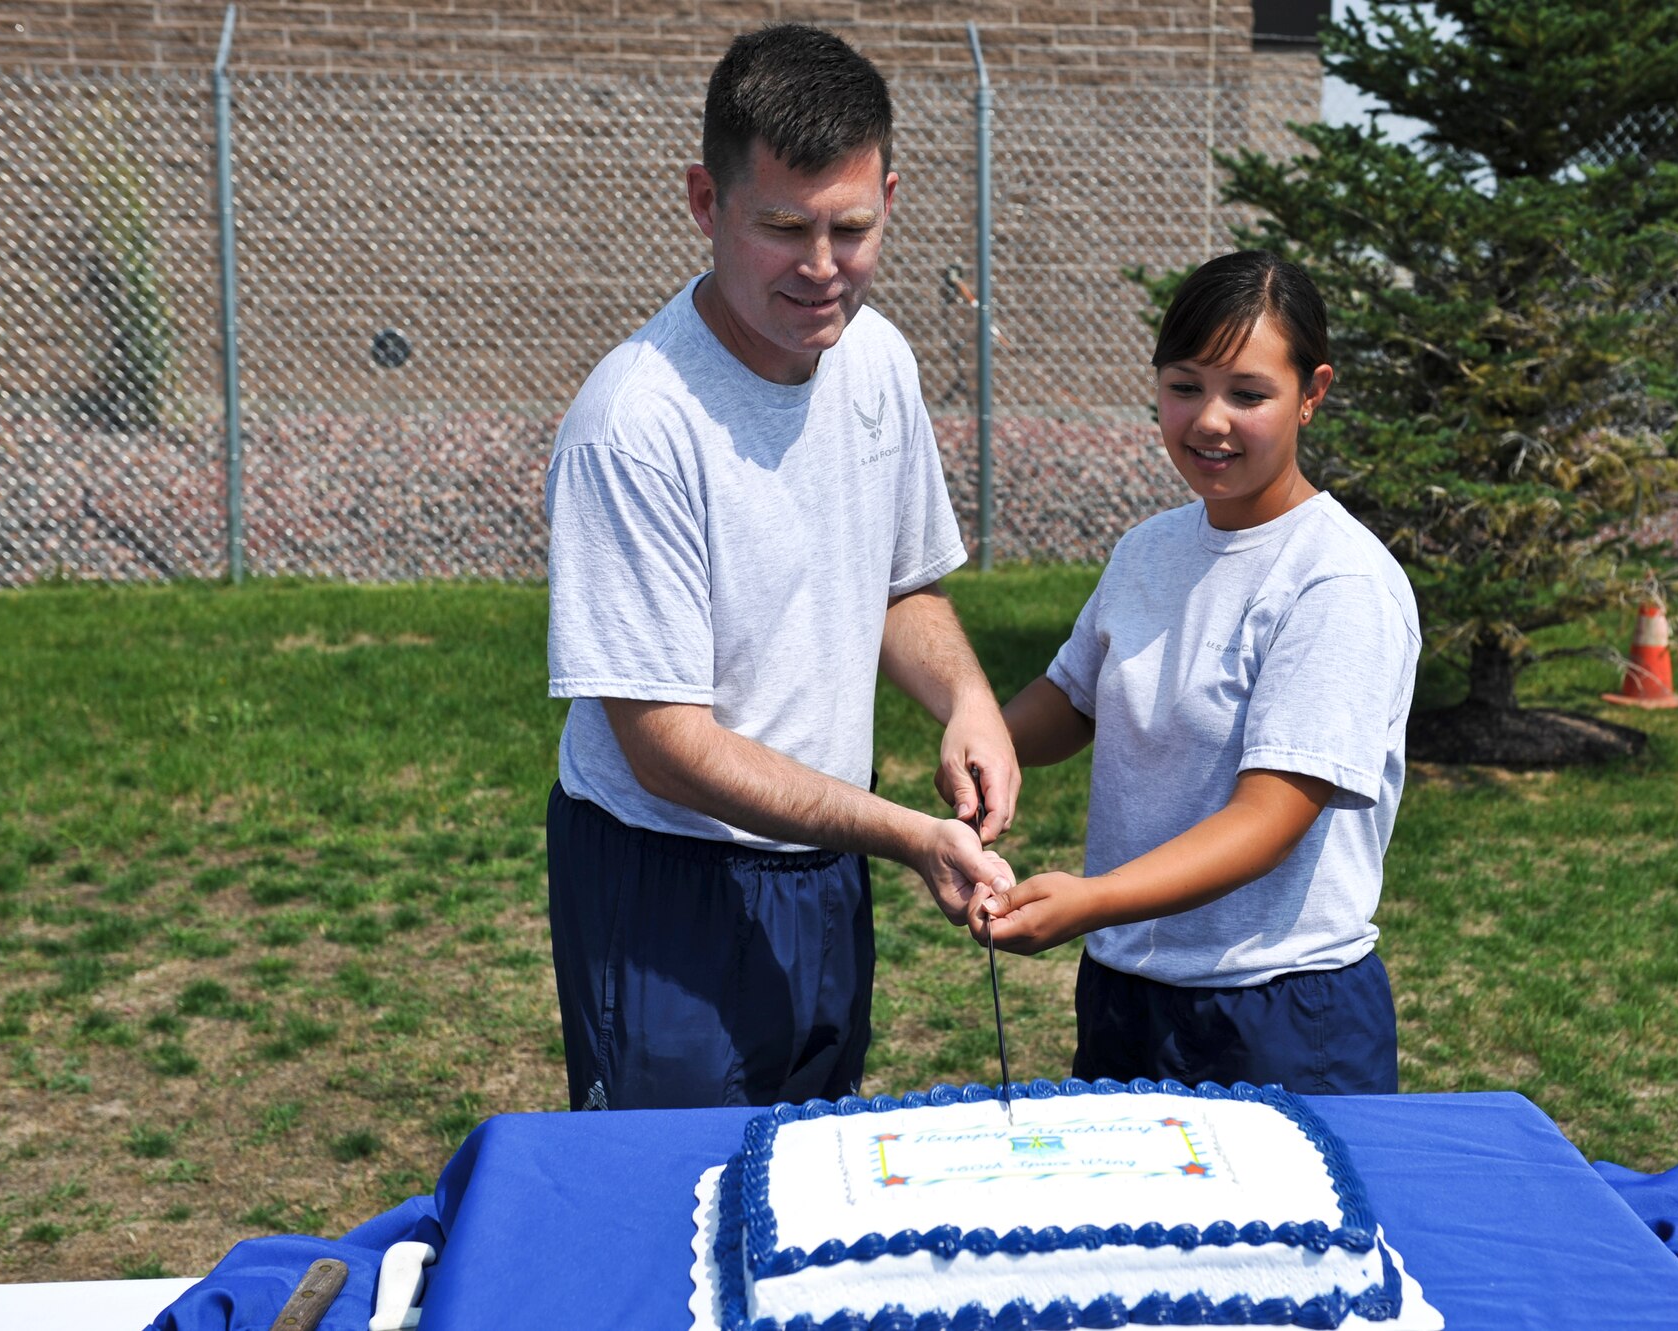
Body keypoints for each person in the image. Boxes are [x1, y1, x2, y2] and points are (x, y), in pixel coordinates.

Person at [545, 24, 1017, 1112]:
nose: (819, 268)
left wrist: (968, 701)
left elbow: (899, 586)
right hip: (667, 874)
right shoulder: (633, 423)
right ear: (705, 204)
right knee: (678, 1201)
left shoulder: (878, 358)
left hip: (821, 860)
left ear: (889, 197)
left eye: (849, 228)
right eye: (780, 228)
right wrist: (901, 832)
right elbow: (664, 743)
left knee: (807, 1175)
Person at [972, 250, 1420, 1095]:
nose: (1210, 420)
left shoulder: (1339, 582)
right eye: (1185, 386)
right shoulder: (1150, 548)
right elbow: (1074, 698)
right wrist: (983, 741)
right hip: (1127, 993)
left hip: (1277, 1013)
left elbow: (1269, 817)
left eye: (1248, 394)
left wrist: (1091, 900)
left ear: (1312, 393)